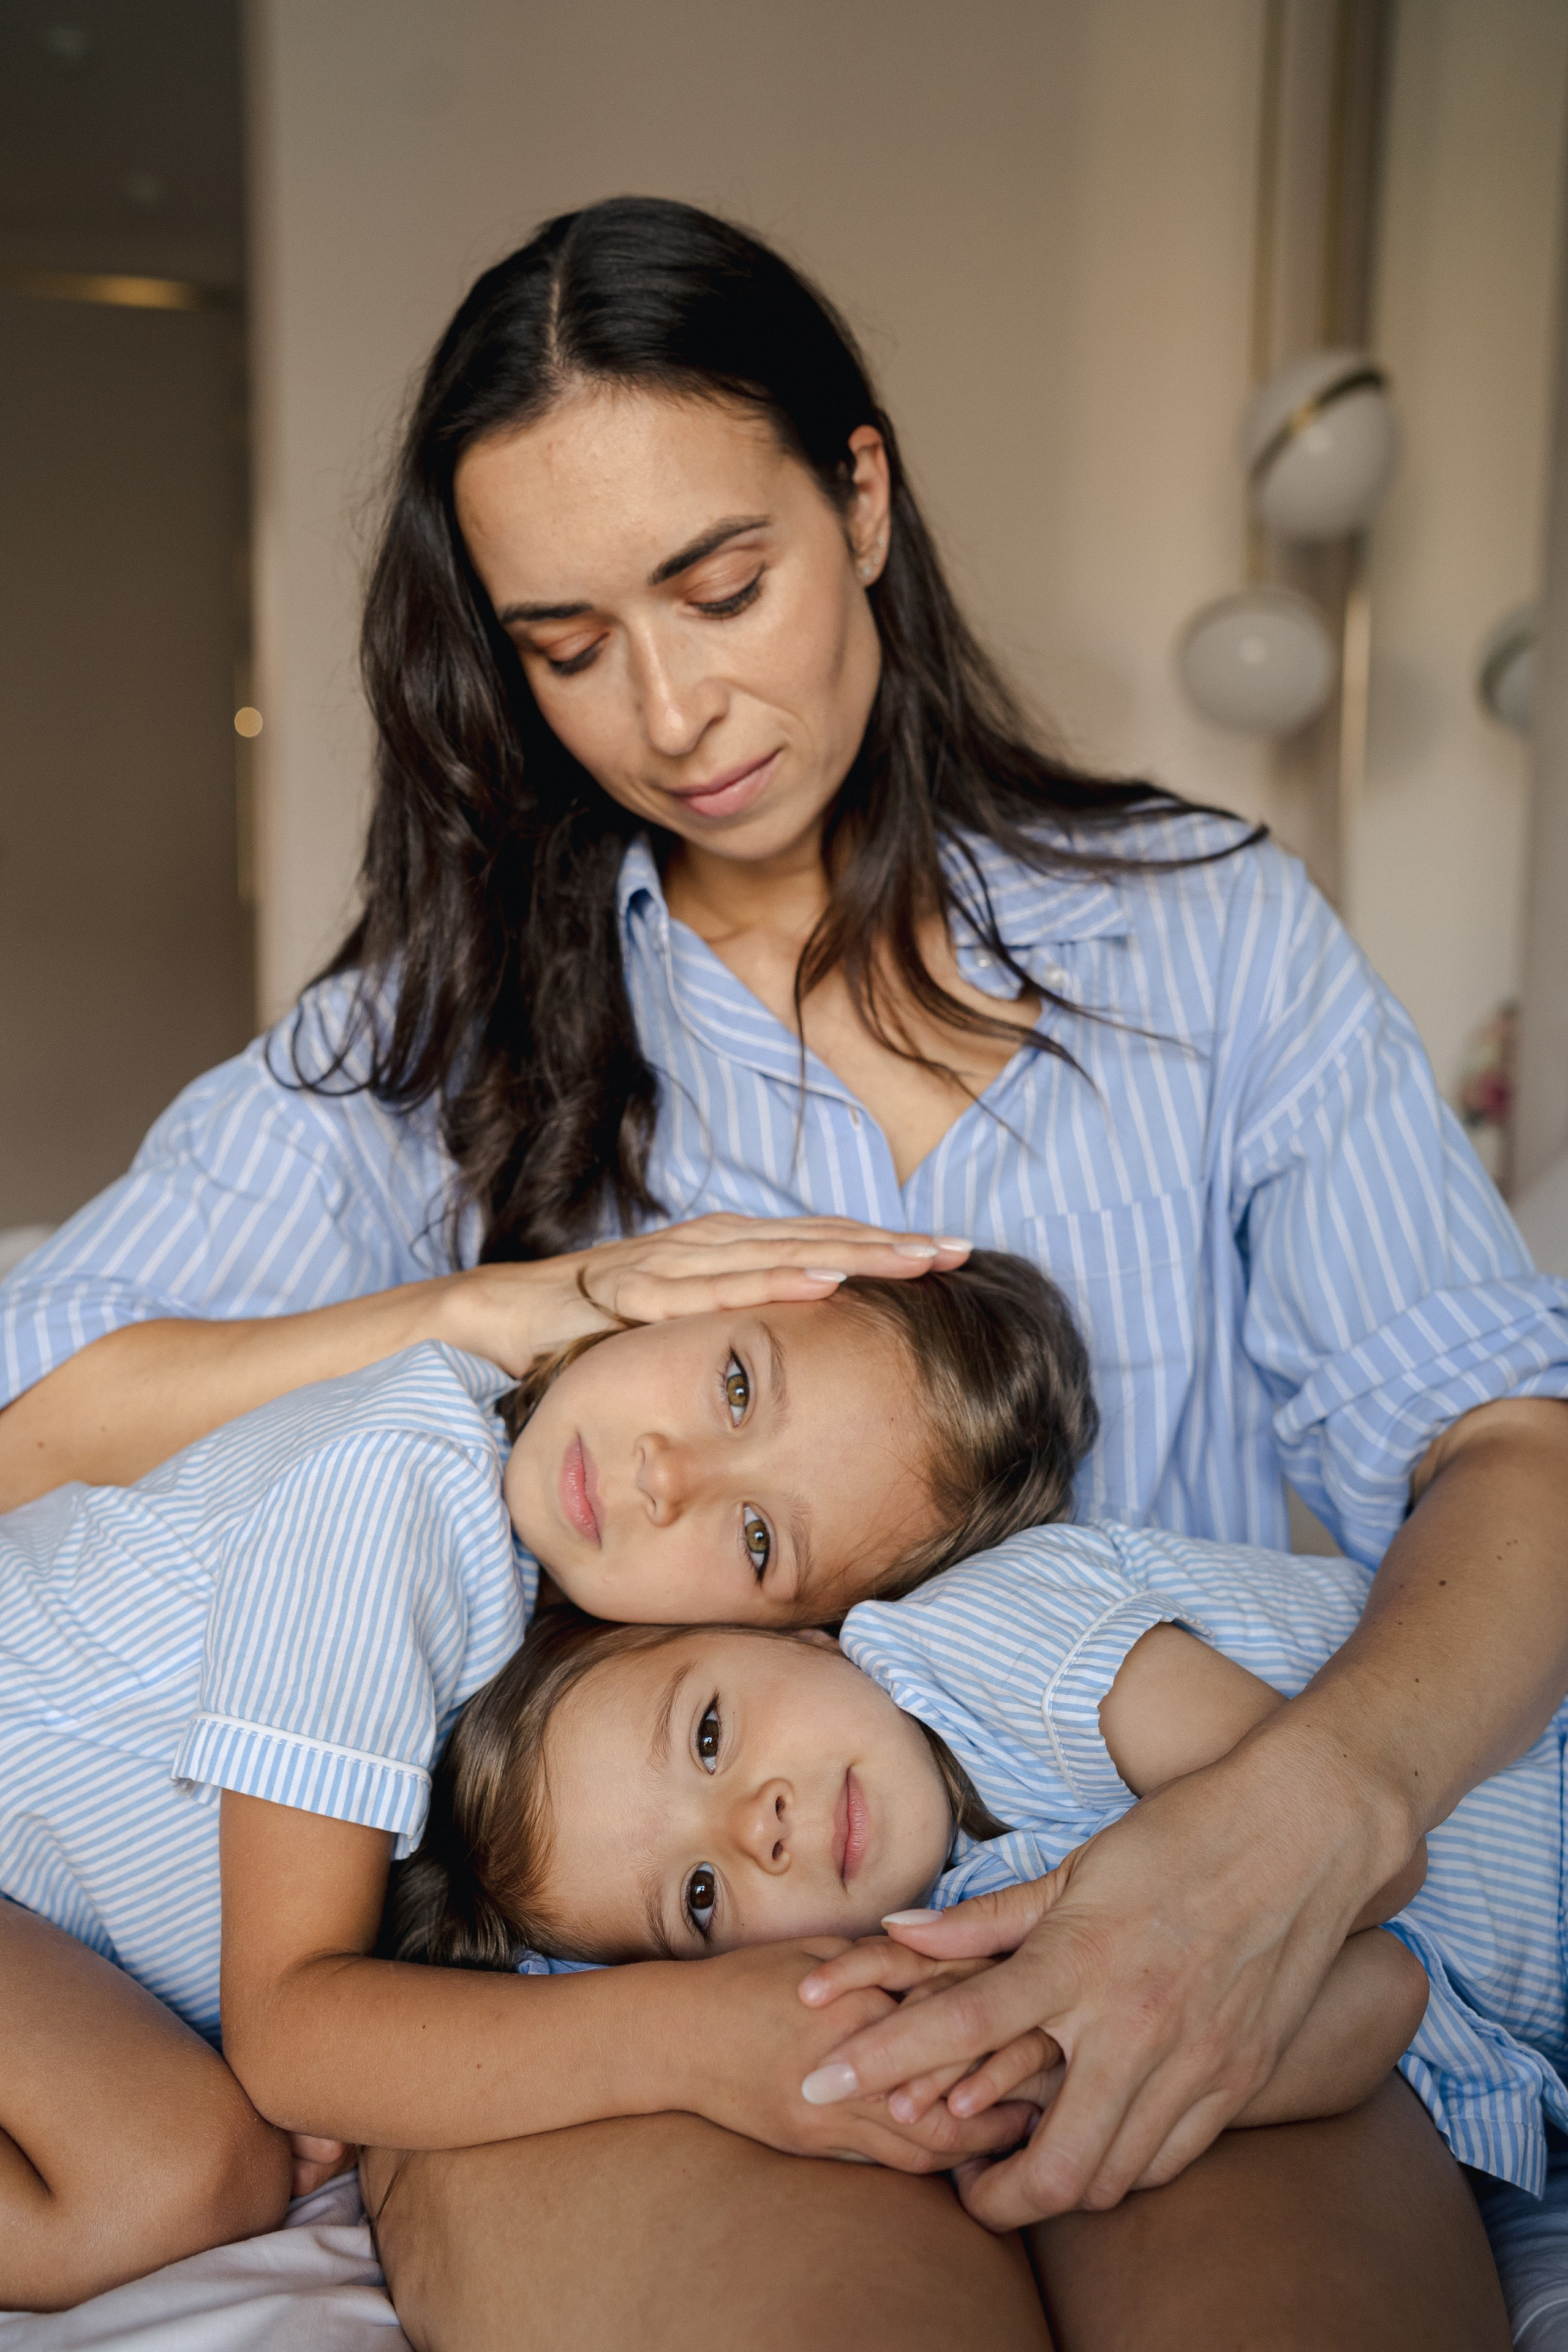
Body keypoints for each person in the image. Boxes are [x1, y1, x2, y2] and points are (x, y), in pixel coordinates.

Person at [1, 190, 1561, 2345]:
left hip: (1150, 1868)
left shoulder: (1209, 938)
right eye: (564, 645)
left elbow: (1507, 1443)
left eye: (719, 586)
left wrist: (1303, 1814)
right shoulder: (447, 1025)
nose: (667, 707)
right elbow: (26, 1435)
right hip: (638, 1974)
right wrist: (477, 1310)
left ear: (861, 496)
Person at [0, 1255, 1089, 2310]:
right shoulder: (397, 1486)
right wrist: (695, 2039)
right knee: (177, 2174)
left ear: (800, 1631)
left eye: (758, 1539)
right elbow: (289, 2031)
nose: (669, 1474)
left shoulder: (590, 1723)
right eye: (739, 1384)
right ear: (698, 1299)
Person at [406, 1525, 1565, 2214]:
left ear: (791, 1633)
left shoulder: (990, 1643)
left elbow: (1360, 1860)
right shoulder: (944, 1936)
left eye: (710, 1734)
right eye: (701, 1897)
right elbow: (1383, 1999)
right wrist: (1057, 2082)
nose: (753, 1825)